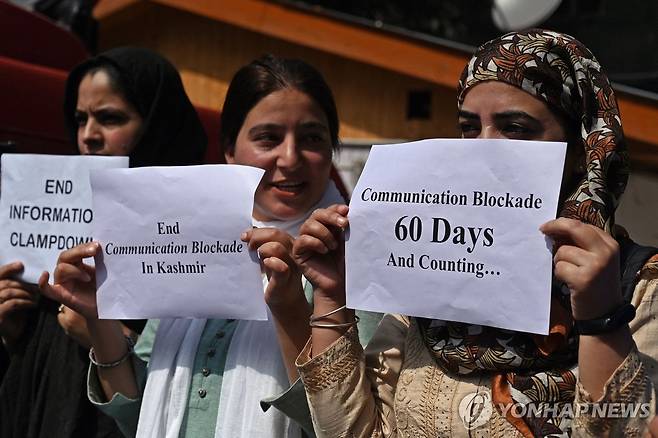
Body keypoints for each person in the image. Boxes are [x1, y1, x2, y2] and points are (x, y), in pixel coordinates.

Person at [292, 29, 658, 437]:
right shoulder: (428, 277)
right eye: (469, 128)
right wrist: (330, 294)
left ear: (580, 150)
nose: (483, 148)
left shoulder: (637, 287)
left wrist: (601, 318)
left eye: (515, 128)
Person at [40, 54, 381, 438]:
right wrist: (98, 318)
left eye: (312, 138)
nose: (290, 157)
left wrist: (290, 307)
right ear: (230, 151)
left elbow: (349, 426)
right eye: (268, 137)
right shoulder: (191, 241)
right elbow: (139, 413)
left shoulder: (349, 261)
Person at [0, 47, 207, 438]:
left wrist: (111, 339)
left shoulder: (194, 233)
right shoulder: (60, 210)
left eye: (109, 118)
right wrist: (16, 331)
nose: (89, 135)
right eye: (81, 119)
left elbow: (201, 375)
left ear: (158, 125)